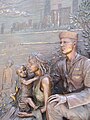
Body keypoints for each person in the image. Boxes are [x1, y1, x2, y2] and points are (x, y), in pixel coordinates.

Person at [46, 31, 90, 120]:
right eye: (60, 42)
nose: (62, 45)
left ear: (74, 44)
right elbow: (52, 81)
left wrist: (66, 98)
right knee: (52, 104)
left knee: (54, 106)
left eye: (65, 42)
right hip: (67, 105)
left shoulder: (86, 63)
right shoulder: (61, 64)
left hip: (83, 106)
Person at [18, 54, 52, 119]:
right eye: (28, 63)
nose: (28, 66)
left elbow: (47, 107)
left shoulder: (45, 80)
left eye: (31, 64)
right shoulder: (34, 77)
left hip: (42, 115)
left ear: (39, 64)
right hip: (33, 111)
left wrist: (28, 115)